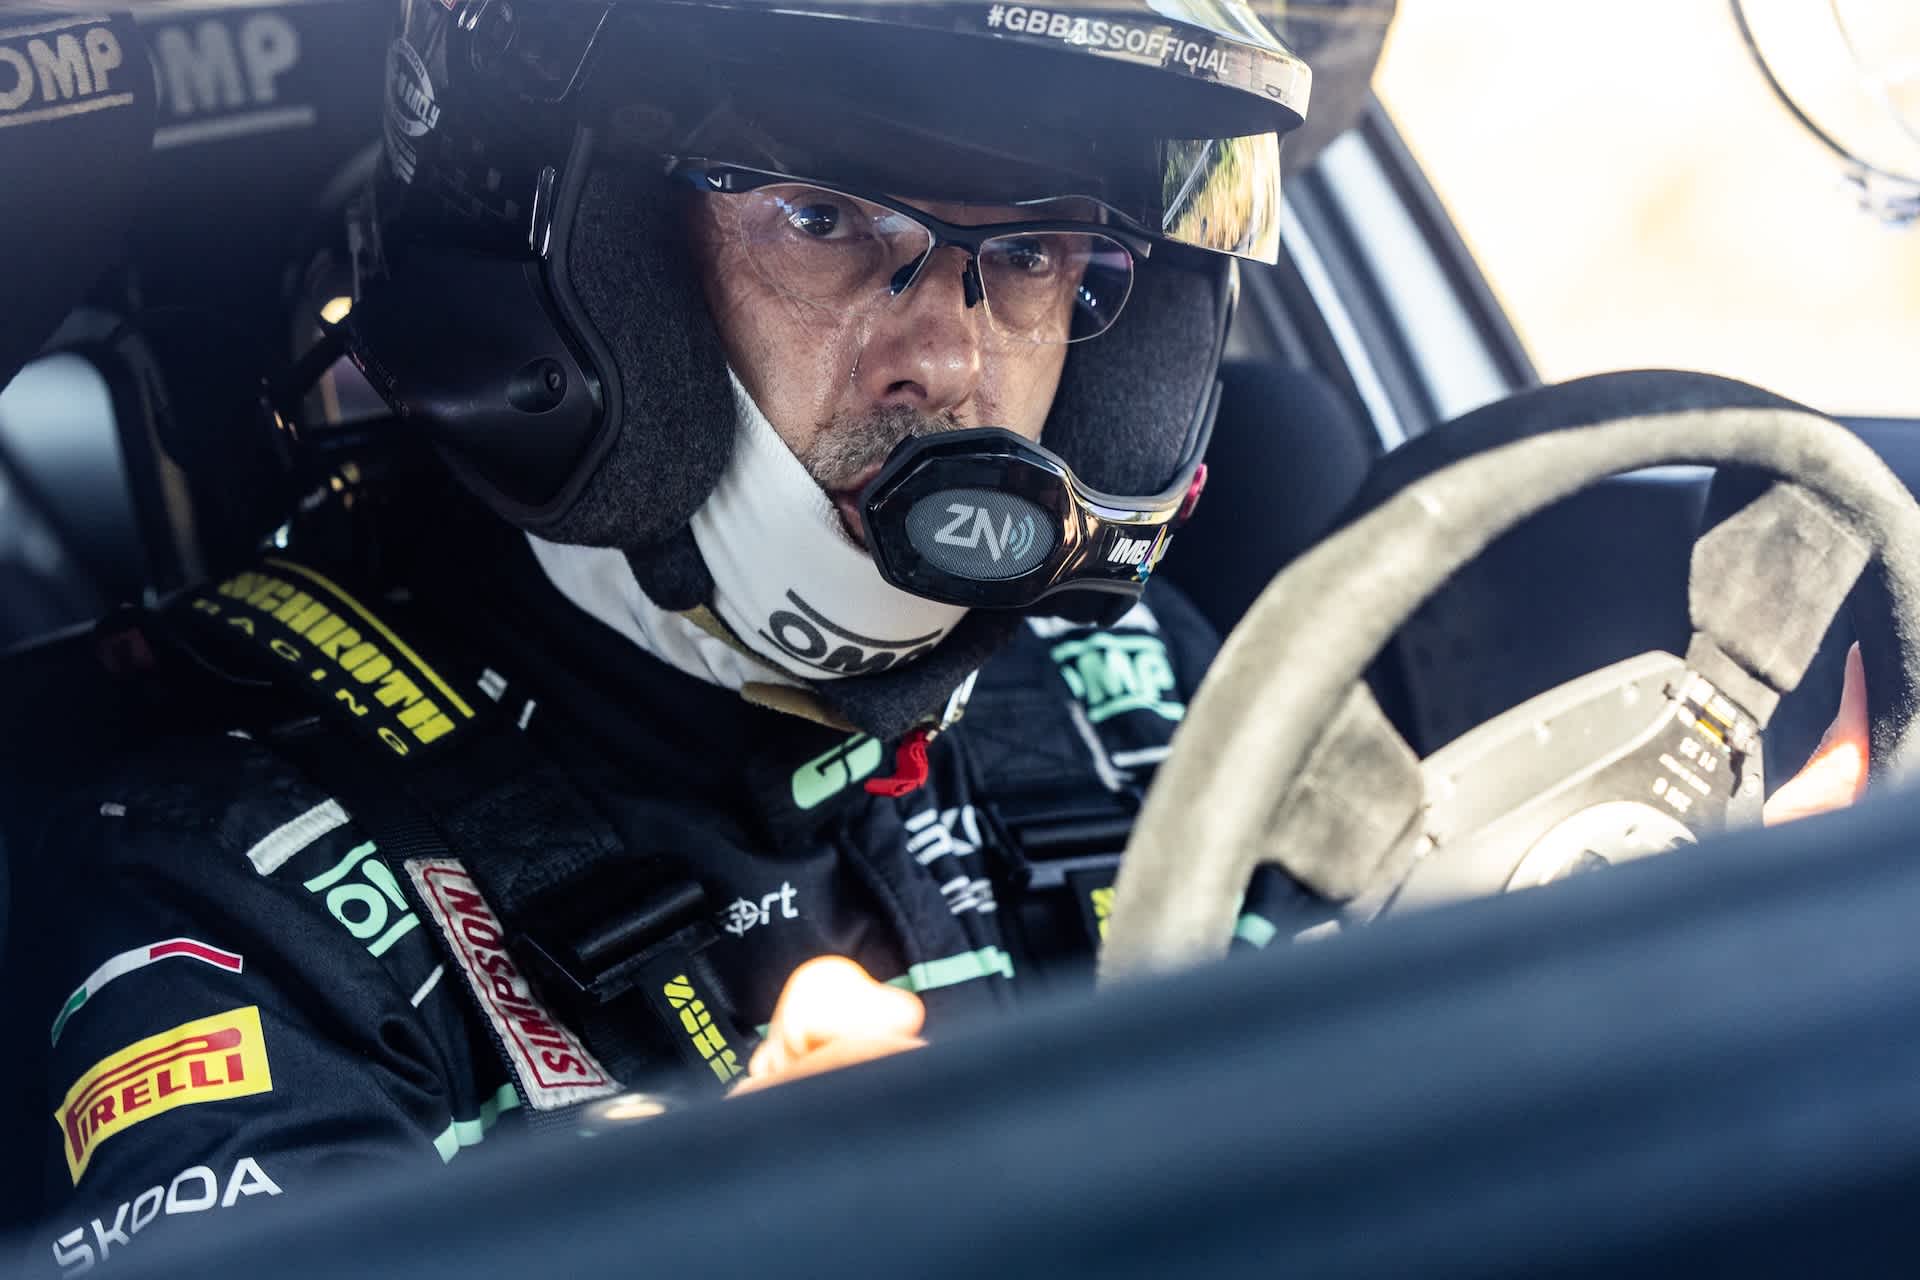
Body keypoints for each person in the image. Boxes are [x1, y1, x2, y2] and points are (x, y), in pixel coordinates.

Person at [22, 0, 1867, 1274]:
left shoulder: (1130, 676)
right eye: (832, 221)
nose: (956, 358)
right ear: (577, 279)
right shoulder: (187, 875)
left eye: (1044, 255)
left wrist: (1681, 976)